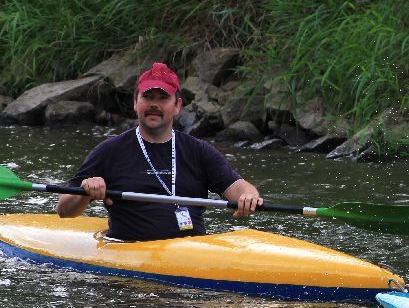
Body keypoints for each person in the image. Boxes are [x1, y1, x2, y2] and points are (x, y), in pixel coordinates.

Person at [55, 62, 262, 241]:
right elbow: (64, 210)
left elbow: (238, 187)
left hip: (191, 254)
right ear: (135, 102)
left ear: (177, 105)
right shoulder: (109, 151)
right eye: (147, 97)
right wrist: (85, 191)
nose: (154, 104)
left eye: (163, 98)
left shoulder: (199, 151)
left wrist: (249, 196)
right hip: (129, 254)